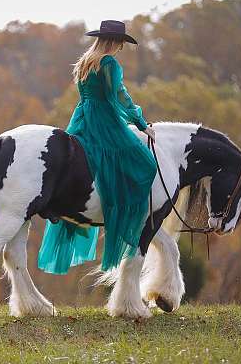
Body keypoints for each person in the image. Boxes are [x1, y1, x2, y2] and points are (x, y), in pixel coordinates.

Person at [38, 20, 157, 274]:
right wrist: (140, 121)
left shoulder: (85, 61)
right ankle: (122, 220)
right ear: (114, 42)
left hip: (82, 118)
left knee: (96, 159)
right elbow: (120, 96)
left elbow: (89, 96)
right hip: (104, 121)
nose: (120, 49)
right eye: (120, 44)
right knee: (144, 164)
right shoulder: (109, 63)